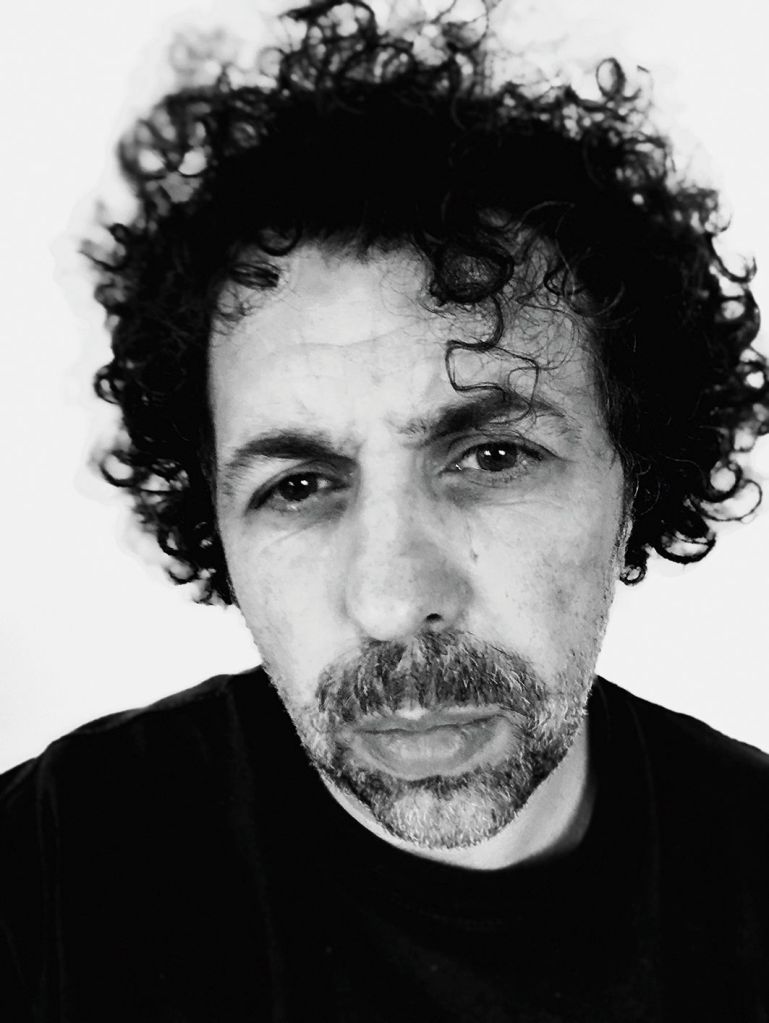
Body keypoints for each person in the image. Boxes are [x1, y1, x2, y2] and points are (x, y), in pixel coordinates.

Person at [2, 1, 769, 1019]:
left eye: (493, 456)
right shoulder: (52, 874)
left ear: (638, 478)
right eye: (299, 485)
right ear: (217, 523)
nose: (394, 599)